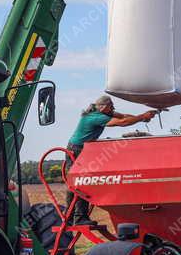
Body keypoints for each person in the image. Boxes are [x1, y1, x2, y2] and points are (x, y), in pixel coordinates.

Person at [65, 95, 156, 224]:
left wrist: (142, 116)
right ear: (104, 107)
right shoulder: (96, 117)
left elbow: (124, 116)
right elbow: (122, 123)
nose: (113, 108)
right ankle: (78, 217)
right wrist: (141, 117)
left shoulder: (103, 112)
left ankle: (70, 216)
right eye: (111, 106)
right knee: (80, 182)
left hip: (83, 149)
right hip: (76, 150)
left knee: (78, 183)